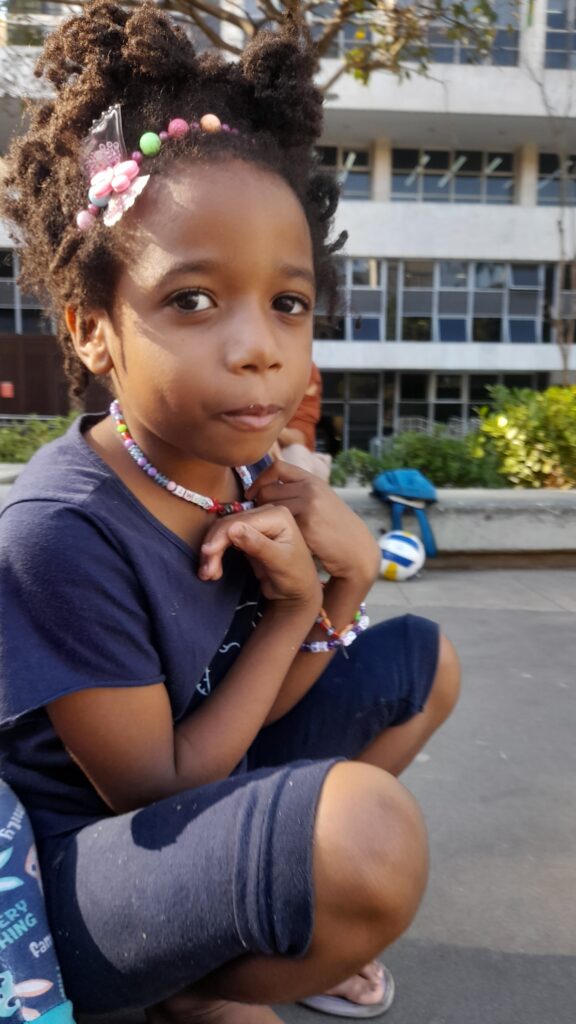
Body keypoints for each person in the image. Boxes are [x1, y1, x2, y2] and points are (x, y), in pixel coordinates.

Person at [0, 3, 461, 1021]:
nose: (257, 348)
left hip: (203, 779)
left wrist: (346, 578)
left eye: (287, 304)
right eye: (194, 300)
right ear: (92, 329)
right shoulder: (60, 530)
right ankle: (196, 987)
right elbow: (155, 787)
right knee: (367, 837)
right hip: (76, 871)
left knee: (426, 663)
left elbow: (262, 707)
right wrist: (299, 607)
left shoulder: (244, 471)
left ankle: (251, 946)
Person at [270, 363, 332, 481]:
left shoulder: (305, 369)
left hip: (293, 456)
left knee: (297, 455)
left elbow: (300, 438)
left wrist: (267, 429)